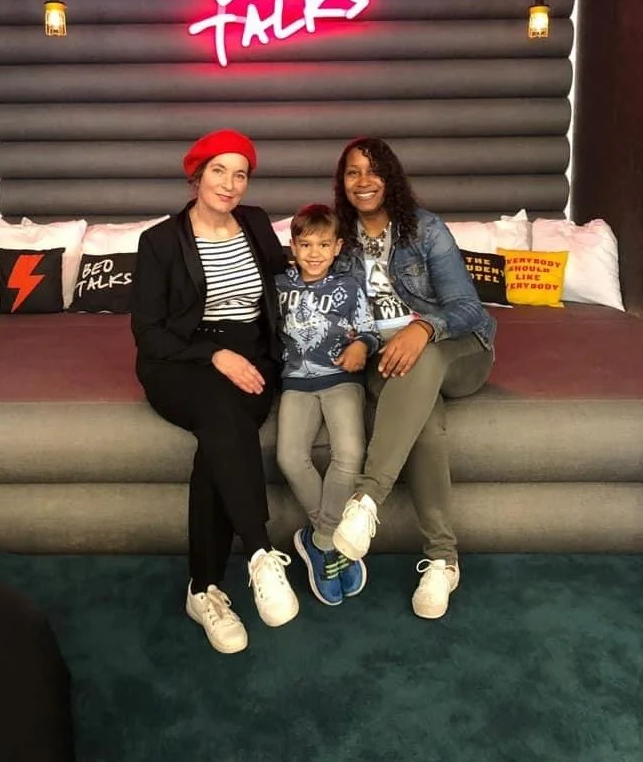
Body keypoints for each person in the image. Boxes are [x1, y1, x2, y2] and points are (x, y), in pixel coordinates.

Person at [130, 129, 299, 655]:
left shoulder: (255, 222)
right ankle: (261, 554)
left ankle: (203, 590)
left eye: (240, 174)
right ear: (197, 175)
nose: (230, 184)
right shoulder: (161, 241)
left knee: (219, 435)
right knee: (221, 412)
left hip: (252, 359)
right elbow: (149, 332)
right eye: (219, 171)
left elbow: (285, 281)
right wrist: (213, 355)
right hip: (181, 360)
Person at [330, 137, 496, 620]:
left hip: (458, 349)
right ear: (342, 182)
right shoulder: (338, 237)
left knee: (421, 358)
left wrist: (422, 329)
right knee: (424, 425)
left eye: (374, 171)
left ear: (392, 178)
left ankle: (366, 499)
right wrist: (358, 339)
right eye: (353, 172)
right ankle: (443, 560)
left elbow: (467, 308)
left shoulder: (425, 229)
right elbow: (331, 305)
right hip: (386, 358)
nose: (364, 182)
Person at [275, 204, 380, 606]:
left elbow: (369, 330)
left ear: (337, 247)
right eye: (305, 245)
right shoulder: (278, 286)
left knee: (350, 454)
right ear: (293, 246)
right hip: (296, 382)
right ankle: (333, 539)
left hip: (341, 379)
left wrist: (361, 345)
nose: (314, 253)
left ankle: (319, 541)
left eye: (323, 245)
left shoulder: (350, 286)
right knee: (289, 457)